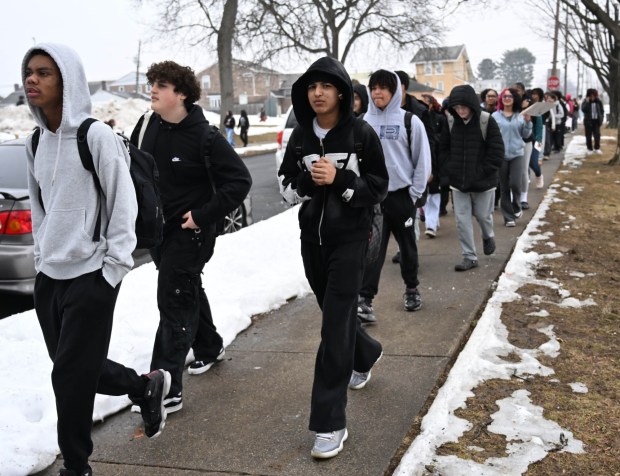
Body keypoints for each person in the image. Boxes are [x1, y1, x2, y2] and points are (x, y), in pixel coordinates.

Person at [23, 43, 170, 476]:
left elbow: (123, 204)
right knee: (75, 369)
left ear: (67, 79)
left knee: (67, 378)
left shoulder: (95, 136)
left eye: (44, 73)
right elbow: (38, 208)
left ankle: (76, 465)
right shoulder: (36, 142)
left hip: (91, 274)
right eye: (29, 72)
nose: (32, 80)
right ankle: (144, 388)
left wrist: (112, 270)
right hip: (49, 277)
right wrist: (40, 256)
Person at [277, 56, 388, 459]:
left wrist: (341, 179)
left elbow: (378, 188)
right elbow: (286, 188)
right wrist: (309, 180)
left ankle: (329, 423)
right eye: (310, 87)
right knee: (336, 318)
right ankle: (366, 352)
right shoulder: (301, 138)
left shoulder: (361, 135)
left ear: (341, 91)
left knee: (333, 327)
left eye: (325, 86)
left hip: (352, 241)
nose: (317, 93)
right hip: (314, 243)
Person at [130, 61, 252, 415]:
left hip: (193, 233)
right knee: (186, 290)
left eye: (162, 84)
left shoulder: (206, 136)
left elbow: (239, 182)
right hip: (159, 232)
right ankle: (210, 346)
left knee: (173, 300)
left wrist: (201, 216)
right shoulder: (146, 125)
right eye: (152, 82)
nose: (152, 89)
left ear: (181, 93)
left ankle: (164, 387)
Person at [358, 69, 432, 322]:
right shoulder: (361, 123)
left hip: (401, 197)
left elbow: (422, 161)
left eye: (384, 87)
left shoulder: (410, 121)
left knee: (407, 247)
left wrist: (413, 195)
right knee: (372, 251)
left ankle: (412, 289)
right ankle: (365, 301)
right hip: (373, 200)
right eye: (374, 87)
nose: (377, 92)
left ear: (395, 91)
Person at [439, 84, 504, 271]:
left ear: (472, 105)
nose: (460, 111)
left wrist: (482, 171)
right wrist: (448, 170)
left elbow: (497, 151)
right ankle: (469, 256)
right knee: (461, 219)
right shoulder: (450, 122)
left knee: (483, 216)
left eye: (463, 107)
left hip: (483, 181)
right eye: (456, 107)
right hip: (458, 182)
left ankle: (487, 235)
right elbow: (443, 149)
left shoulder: (486, 121)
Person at [492, 88, 533, 227]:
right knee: (503, 187)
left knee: (515, 184)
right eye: (504, 96)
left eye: (510, 96)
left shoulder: (520, 116)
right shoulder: (495, 116)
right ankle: (508, 217)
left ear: (515, 99)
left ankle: (516, 206)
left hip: (517, 154)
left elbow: (526, 135)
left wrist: (528, 122)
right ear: (501, 99)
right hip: (501, 155)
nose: (507, 98)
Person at [581, 88, 604, 155]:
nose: (592, 97)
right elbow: (583, 110)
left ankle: (597, 148)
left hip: (596, 121)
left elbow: (602, 111)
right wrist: (587, 102)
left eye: (593, 96)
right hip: (588, 121)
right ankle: (589, 148)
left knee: (597, 135)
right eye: (591, 96)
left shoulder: (598, 102)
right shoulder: (586, 101)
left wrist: (601, 119)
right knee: (588, 135)